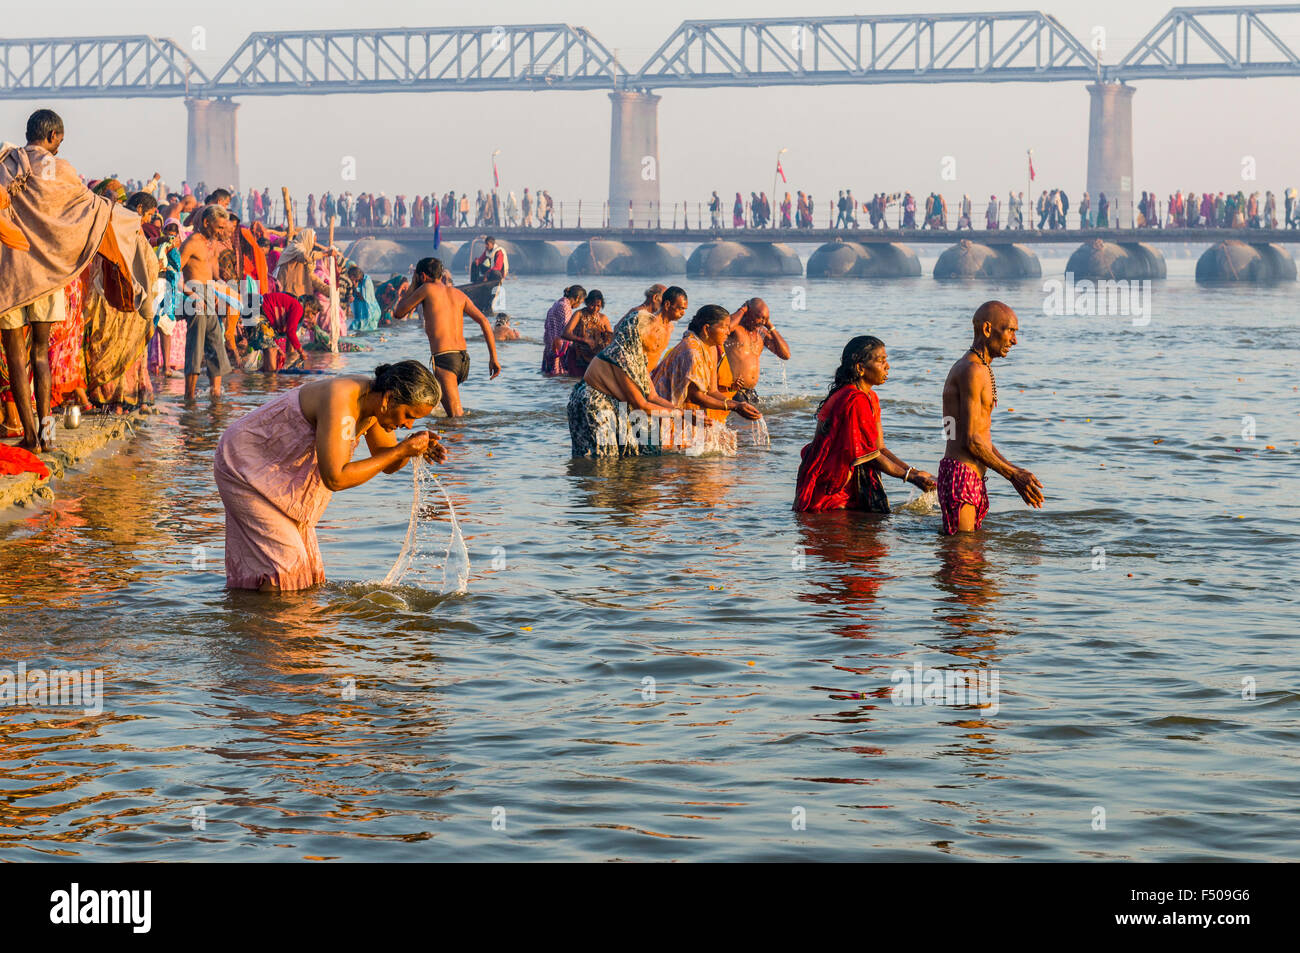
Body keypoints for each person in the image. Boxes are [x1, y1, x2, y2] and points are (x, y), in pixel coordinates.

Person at [215, 361, 447, 591]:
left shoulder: (374, 402)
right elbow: (335, 478)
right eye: (408, 415)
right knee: (286, 564)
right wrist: (402, 449)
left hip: (276, 472)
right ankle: (277, 625)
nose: (408, 424)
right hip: (243, 465)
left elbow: (386, 462)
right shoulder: (343, 400)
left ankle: (258, 621)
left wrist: (413, 447)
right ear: (389, 399)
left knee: (305, 573)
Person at [794, 335, 935, 512]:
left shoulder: (870, 398)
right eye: (881, 361)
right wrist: (911, 477)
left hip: (848, 485)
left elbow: (879, 448)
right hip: (833, 490)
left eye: (886, 360)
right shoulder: (854, 399)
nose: (887, 366)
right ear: (861, 368)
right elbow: (868, 455)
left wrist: (914, 472)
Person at [938, 301, 1043, 534]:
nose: (1015, 341)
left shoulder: (979, 368)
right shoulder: (972, 370)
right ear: (987, 330)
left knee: (971, 559)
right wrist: (1013, 475)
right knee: (962, 558)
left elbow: (976, 436)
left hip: (966, 474)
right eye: (1010, 331)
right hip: (961, 475)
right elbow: (971, 441)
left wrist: (1015, 469)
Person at [567, 302, 678, 457]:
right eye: (655, 331)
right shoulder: (621, 356)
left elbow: (653, 396)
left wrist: (680, 411)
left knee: (634, 452)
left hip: (612, 404)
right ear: (640, 333)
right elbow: (641, 404)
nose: (659, 336)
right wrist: (677, 415)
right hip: (593, 405)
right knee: (602, 459)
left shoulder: (637, 357)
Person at [393, 257, 501, 417]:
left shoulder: (427, 289)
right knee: (438, 409)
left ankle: (473, 440)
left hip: (445, 359)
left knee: (456, 418)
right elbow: (484, 321)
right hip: (462, 359)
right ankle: (445, 441)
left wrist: (414, 285)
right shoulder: (458, 294)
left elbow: (398, 312)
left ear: (422, 276)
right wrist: (493, 358)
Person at [653, 305, 761, 451]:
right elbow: (695, 396)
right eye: (724, 327)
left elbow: (712, 391)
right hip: (662, 415)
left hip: (682, 416)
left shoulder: (709, 347)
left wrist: (737, 405)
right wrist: (735, 406)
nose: (728, 332)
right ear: (706, 329)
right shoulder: (692, 351)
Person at [179, 205, 235, 400]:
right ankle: (189, 396)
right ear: (206, 223)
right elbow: (174, 272)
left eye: (223, 227)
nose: (222, 231)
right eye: (218, 227)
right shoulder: (192, 242)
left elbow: (213, 274)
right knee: (195, 347)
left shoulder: (211, 245)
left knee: (216, 344)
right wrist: (190, 294)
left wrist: (223, 287)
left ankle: (216, 393)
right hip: (195, 298)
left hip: (210, 297)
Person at [723, 297, 789, 406]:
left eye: (765, 319)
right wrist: (742, 310)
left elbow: (785, 354)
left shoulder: (761, 333)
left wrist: (770, 327)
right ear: (749, 313)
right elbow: (726, 327)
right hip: (733, 390)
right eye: (759, 318)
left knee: (764, 420)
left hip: (750, 392)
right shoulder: (736, 330)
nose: (762, 322)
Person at [560, 289, 613, 377]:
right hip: (577, 357)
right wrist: (584, 340)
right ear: (587, 303)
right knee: (575, 383)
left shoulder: (603, 318)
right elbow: (565, 333)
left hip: (595, 359)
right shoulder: (579, 314)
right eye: (592, 305)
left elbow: (611, 339)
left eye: (598, 306)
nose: (595, 308)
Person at [541, 284, 585, 377]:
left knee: (551, 376)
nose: (579, 305)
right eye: (580, 302)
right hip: (559, 350)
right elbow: (567, 331)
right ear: (577, 298)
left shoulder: (557, 303)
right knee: (559, 378)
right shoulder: (565, 307)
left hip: (550, 347)